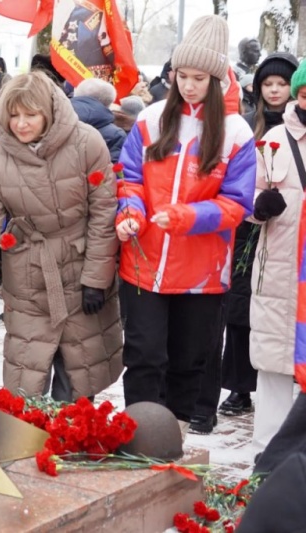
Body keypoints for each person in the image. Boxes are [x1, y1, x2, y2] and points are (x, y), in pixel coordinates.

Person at [115, 15, 256, 436]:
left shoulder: (235, 132)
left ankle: (169, 438)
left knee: (187, 360)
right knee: (142, 356)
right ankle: (136, 436)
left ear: (216, 80)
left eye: (199, 77)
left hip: (202, 273)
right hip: (144, 262)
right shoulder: (151, 119)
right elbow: (130, 178)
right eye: (182, 75)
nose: (189, 85)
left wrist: (186, 217)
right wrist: (131, 215)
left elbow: (237, 204)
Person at [0, 71, 123, 400]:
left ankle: (71, 437)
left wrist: (96, 277)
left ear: (48, 111)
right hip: (28, 268)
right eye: (14, 115)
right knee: (27, 366)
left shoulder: (86, 142)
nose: (21, 124)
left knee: (79, 364)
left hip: (79, 265)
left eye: (30, 115)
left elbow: (103, 212)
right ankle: (29, 437)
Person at [216, 52, 299, 423]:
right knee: (242, 308)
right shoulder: (250, 126)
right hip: (249, 228)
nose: (276, 90)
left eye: (283, 83)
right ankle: (239, 386)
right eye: (269, 83)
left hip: (289, 235)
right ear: (259, 88)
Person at [247, 58, 306, 455]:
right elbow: (245, 201)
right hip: (280, 271)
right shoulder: (273, 141)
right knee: (274, 362)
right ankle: (267, 455)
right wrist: (260, 206)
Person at [70, 77, 126, 163]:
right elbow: (115, 171)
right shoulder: (116, 134)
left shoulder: (50, 116)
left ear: (76, 93)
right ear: (109, 103)